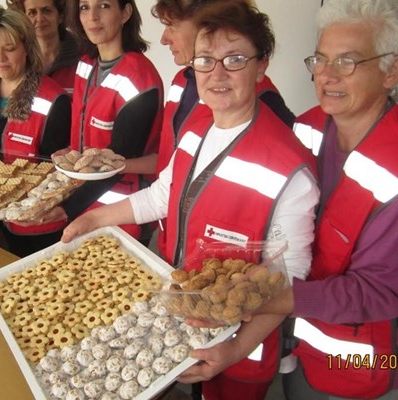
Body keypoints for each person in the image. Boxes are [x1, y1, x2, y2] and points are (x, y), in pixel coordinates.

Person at [61, 2, 319, 399]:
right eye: (205, 59)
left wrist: (234, 348)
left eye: (234, 59)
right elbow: (166, 194)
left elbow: (292, 273)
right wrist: (95, 221)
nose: (217, 73)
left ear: (261, 65)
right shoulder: (197, 124)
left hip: (239, 342)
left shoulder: (291, 165)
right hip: (182, 308)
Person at [239, 0, 398, 399]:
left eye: (347, 62)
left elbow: (375, 294)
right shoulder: (310, 127)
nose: (326, 75)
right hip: (304, 337)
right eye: (321, 59)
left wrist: (271, 300)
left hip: (372, 361)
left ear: (393, 70)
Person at [151, 0, 297, 260]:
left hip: (218, 267)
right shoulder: (183, 82)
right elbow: (170, 177)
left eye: (171, 26)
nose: (163, 38)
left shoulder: (260, 102)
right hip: (170, 239)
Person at [31, 0, 164, 242]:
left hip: (123, 210)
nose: (92, 17)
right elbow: (85, 132)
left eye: (103, 6)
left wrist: (67, 207)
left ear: (125, 13)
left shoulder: (139, 78)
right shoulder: (86, 63)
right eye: (84, 7)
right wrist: (73, 153)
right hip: (85, 200)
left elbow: (116, 159)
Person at [0, 6, 71, 255]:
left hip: (34, 223)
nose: (0, 58)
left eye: (9, 49)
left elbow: (57, 174)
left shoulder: (53, 100)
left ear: (27, 48)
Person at [6, 0, 79, 93]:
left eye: (47, 11)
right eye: (32, 13)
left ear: (60, 16)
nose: (39, 19)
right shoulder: (16, 60)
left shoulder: (83, 58)